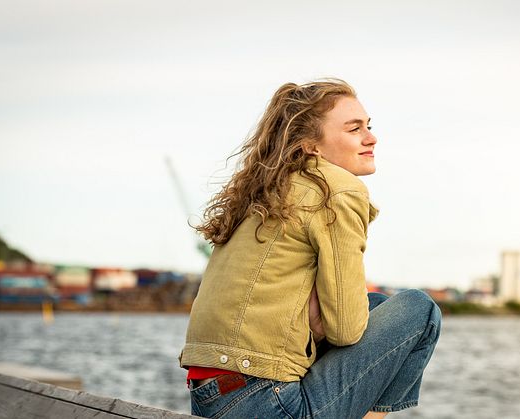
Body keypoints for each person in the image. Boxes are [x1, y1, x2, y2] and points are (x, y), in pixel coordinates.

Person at [179, 79, 441, 419]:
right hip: (266, 402)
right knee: (420, 310)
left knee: (377, 305)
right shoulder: (338, 189)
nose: (371, 137)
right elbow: (345, 330)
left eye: (369, 126)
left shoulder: (266, 189)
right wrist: (324, 325)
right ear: (310, 145)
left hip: (212, 397)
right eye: (354, 129)